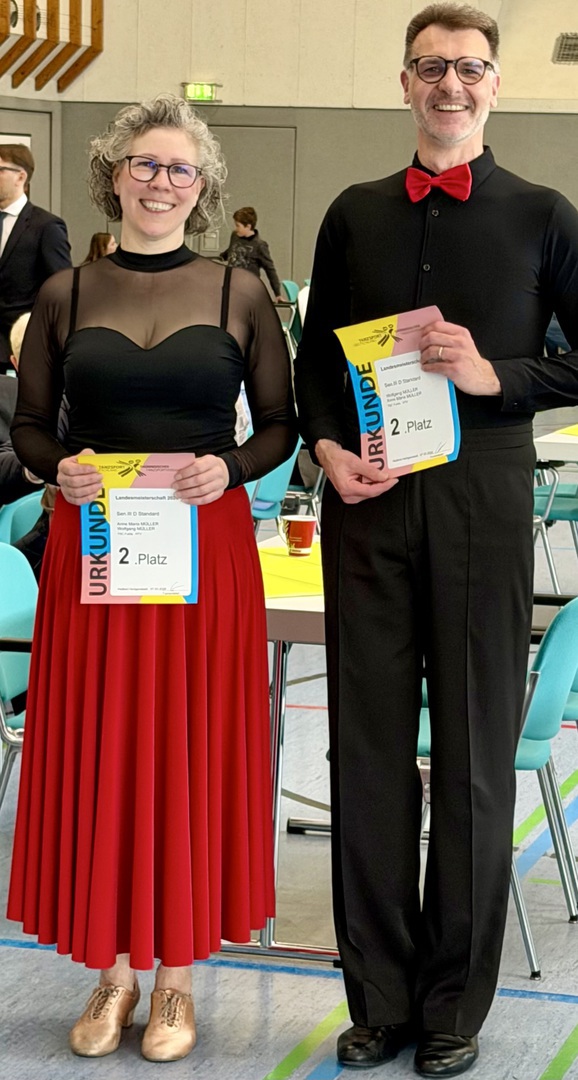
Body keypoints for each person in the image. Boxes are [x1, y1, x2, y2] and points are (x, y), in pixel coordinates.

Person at [294, 4, 578, 1077]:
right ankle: (378, 997)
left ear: (495, 84)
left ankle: (454, 1004)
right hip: (365, 499)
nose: (448, 85)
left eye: (467, 67)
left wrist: (497, 374)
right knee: (365, 751)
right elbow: (315, 364)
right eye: (429, 67)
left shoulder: (543, 214)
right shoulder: (352, 212)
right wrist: (326, 448)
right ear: (403, 83)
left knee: (470, 755)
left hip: (482, 500)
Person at [7, 93, 296, 1064]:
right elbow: (31, 426)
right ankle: (114, 973)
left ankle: (176, 982)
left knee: (189, 751)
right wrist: (60, 468)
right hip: (95, 549)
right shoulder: (64, 293)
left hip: (204, 549)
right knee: (105, 749)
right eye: (145, 164)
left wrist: (234, 469)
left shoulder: (238, 293)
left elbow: (280, 425)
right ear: (114, 175)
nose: (160, 182)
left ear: (200, 186)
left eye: (178, 168)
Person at [0, 144, 71, 373]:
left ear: (20, 176)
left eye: (0, 170)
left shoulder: (46, 226)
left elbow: (61, 289)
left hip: (19, 347)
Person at [221, 206, 284, 301]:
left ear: (248, 226)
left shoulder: (260, 245)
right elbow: (232, 250)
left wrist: (277, 293)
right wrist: (222, 257)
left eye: (238, 226)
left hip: (248, 289)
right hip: (232, 285)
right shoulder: (234, 236)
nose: (236, 228)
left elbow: (270, 269)